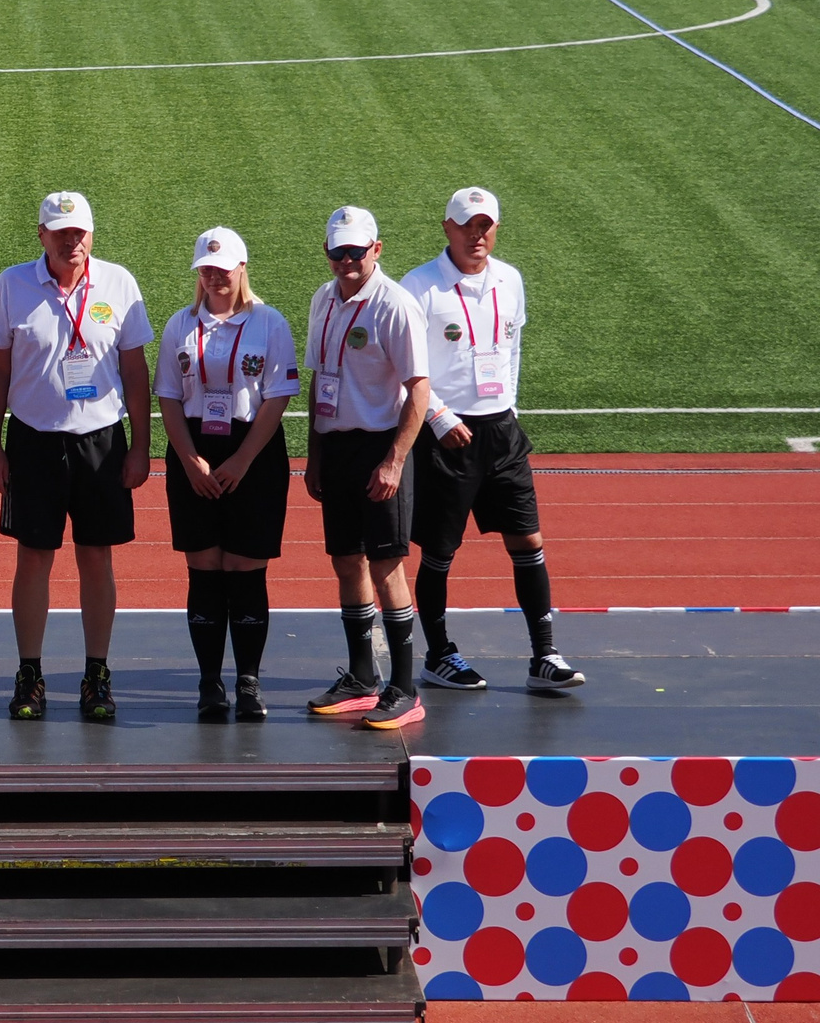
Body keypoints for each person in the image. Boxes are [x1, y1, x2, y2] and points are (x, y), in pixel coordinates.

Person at [399, 186, 587, 695]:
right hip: (447, 434)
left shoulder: (510, 279)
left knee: (527, 540)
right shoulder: (419, 287)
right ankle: (439, 655)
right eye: (466, 225)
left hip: (501, 430)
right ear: (447, 228)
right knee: (441, 551)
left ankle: (544, 654)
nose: (476, 234)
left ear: (496, 228)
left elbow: (512, 348)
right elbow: (402, 367)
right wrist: (437, 417)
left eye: (485, 225)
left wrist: (511, 406)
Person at [0, 191, 153, 723]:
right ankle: (29, 673)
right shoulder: (12, 284)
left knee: (96, 556)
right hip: (33, 441)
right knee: (33, 557)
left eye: (79, 232)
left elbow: (134, 372)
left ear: (91, 234)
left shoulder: (119, 284)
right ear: (42, 235)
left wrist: (143, 446)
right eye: (60, 232)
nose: (71, 240)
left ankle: (96, 673)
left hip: (101, 440)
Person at [153, 227, 300, 723]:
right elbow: (169, 398)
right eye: (206, 269)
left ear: (242, 269)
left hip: (252, 454)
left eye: (223, 268)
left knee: (245, 571)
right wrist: (190, 458)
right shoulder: (180, 324)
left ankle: (249, 682)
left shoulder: (269, 322)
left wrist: (241, 460)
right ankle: (210, 683)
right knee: (205, 571)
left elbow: (277, 397)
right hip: (194, 451)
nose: (214, 276)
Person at [303, 205, 435, 731]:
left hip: (380, 447)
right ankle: (362, 678)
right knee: (346, 561)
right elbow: (319, 380)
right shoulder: (322, 299)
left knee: (386, 567)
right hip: (336, 448)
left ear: (376, 249)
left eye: (357, 251)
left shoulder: (395, 306)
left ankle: (405, 687)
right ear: (328, 252)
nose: (347, 261)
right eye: (338, 252)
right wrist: (314, 454)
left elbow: (419, 390)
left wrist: (394, 460)